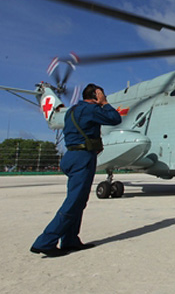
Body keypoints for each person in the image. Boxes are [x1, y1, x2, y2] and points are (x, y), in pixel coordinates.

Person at [30, 84, 121, 257]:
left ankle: (70, 240)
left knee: (78, 200)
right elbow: (115, 118)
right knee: (74, 202)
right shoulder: (90, 109)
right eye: (101, 94)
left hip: (71, 156)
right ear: (96, 95)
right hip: (82, 158)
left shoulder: (72, 111)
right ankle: (45, 241)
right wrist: (105, 102)